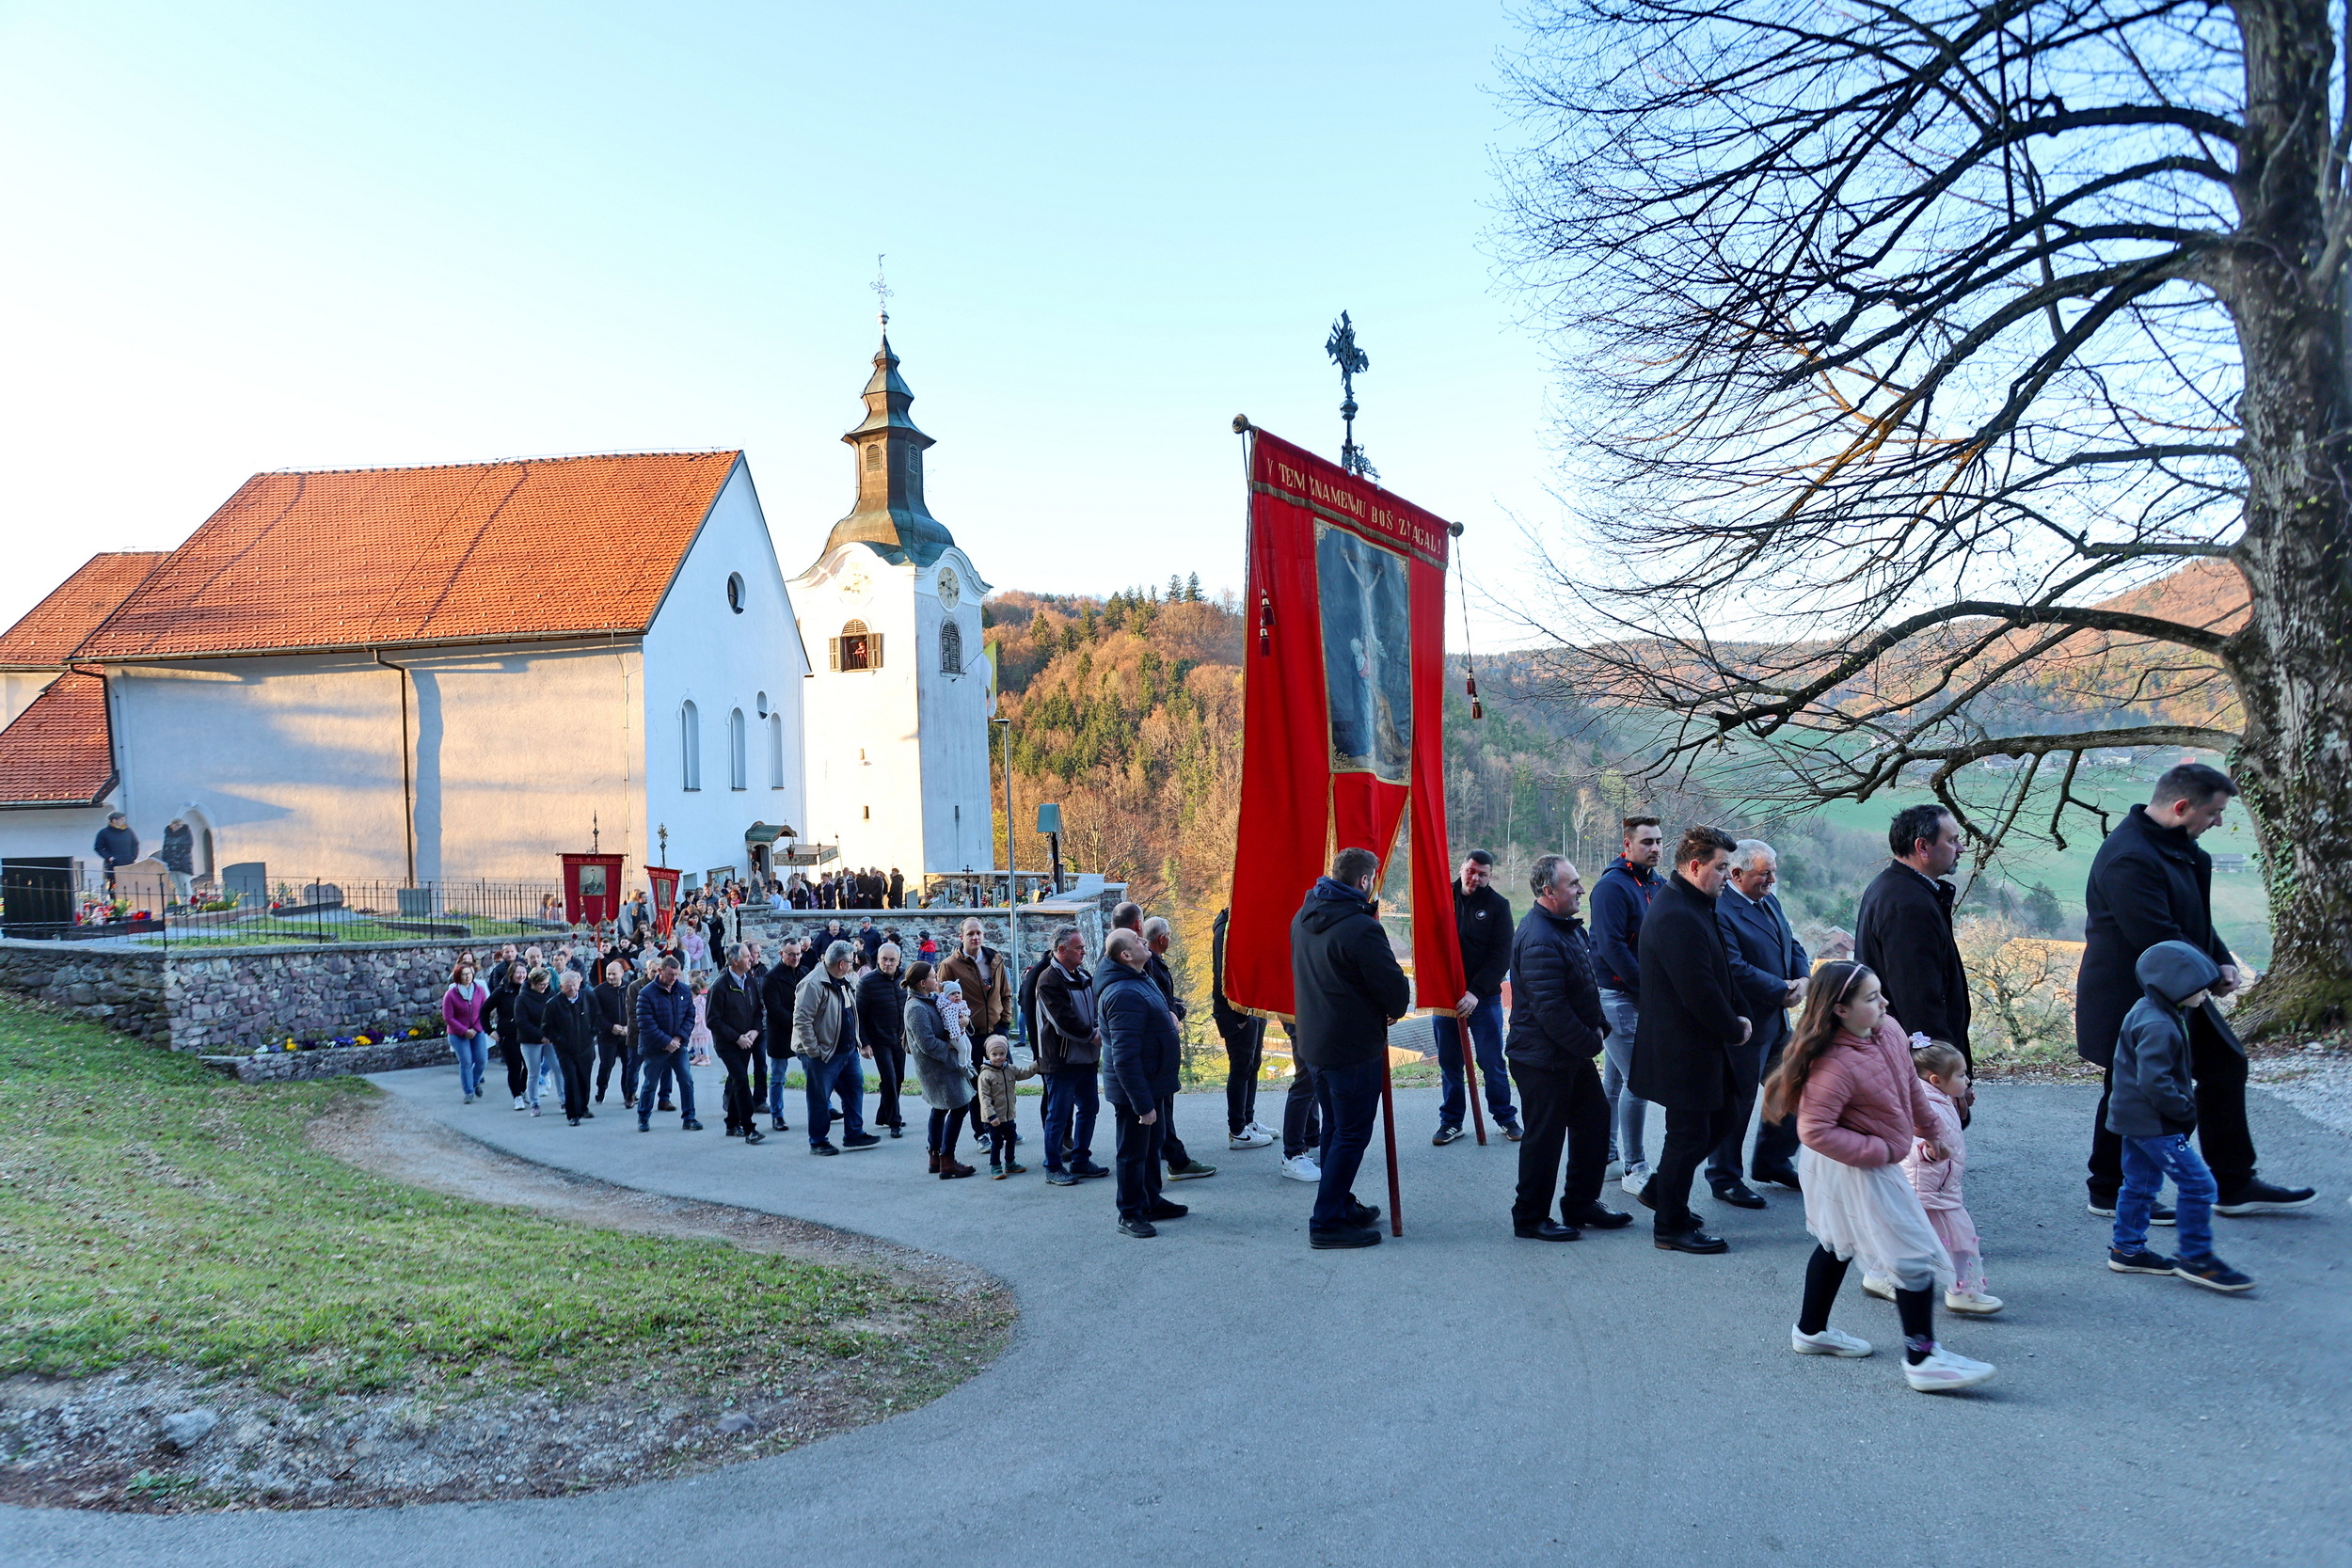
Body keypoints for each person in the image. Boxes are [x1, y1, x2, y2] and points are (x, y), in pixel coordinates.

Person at [2077, 763, 2313, 1217]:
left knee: (2224, 1064)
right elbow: (2156, 935)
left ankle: (2234, 1183)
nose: (2219, 823)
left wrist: (2221, 959)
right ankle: (2109, 1191)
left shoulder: (2184, 851)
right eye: (2214, 813)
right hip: (2129, 999)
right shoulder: (2131, 856)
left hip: (2177, 991)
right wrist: (2210, 974)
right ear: (2182, 807)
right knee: (2130, 1088)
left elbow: (2194, 924)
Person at [1767, 961, 1995, 1392]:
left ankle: (1811, 1332)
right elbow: (1814, 1131)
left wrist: (1933, 1131)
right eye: (1871, 999)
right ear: (1840, 1011)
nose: (1884, 1003)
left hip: (1869, 1157)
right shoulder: (1833, 1065)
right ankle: (1922, 1360)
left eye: (1880, 994)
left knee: (1837, 1244)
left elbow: (1910, 1085)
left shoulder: (1887, 1030)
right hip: (1853, 1164)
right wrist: (1883, 1151)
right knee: (1912, 1254)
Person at [2104, 941, 2257, 1291]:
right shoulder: (2159, 1024)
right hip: (2155, 1124)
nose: (2206, 992)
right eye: (2199, 987)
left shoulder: (2152, 1010)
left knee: (2139, 1185)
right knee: (2200, 1186)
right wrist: (2185, 1110)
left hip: (2136, 1120)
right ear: (2173, 985)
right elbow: (2154, 1081)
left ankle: (2127, 1250)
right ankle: (2196, 1257)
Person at [1627, 826, 1749, 1255]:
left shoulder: (1692, 902)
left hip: (1693, 1046)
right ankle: (1671, 1226)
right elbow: (1698, 989)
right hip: (1682, 1049)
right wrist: (1735, 1028)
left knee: (1719, 1119)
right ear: (1695, 867)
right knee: (1688, 1134)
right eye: (1721, 868)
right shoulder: (1678, 912)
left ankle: (1662, 1192)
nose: (1728, 877)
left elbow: (1715, 972)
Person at [1505, 856, 1633, 1242]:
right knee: (1544, 1140)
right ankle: (1529, 1218)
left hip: (1568, 1053)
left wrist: (1600, 1026)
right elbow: (1552, 1011)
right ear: (1548, 892)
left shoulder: (1566, 928)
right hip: (1541, 1058)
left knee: (1593, 1124)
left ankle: (1580, 1204)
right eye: (1573, 883)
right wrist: (1594, 1040)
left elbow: (1586, 989)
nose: (1581, 889)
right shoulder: (1539, 938)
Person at [1291, 847, 1410, 1250]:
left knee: (1334, 1129)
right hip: (1352, 1048)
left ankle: (1340, 1203)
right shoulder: (1360, 928)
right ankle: (1325, 1222)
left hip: (1315, 1043)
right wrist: (1390, 1010)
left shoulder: (1303, 916)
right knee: (1351, 1133)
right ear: (1364, 881)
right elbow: (1395, 991)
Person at [1863, 1040, 2001, 1313]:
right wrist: (1927, 1153)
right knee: (1960, 1238)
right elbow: (1910, 1144)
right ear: (1937, 1080)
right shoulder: (1927, 1106)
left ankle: (1878, 1275)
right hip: (1929, 1188)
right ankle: (1963, 1292)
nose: (1967, 1079)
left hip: (1933, 1187)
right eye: (1961, 1075)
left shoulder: (1939, 1100)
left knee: (1906, 1237)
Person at [1710, 839, 1811, 1204]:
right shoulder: (1721, 909)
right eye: (1764, 873)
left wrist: (1802, 979)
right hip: (1745, 1022)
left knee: (1795, 1085)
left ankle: (1773, 1160)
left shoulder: (1770, 900)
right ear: (1736, 874)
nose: (1772, 879)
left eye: (1773, 871)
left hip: (1777, 1021)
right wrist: (1780, 987)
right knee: (1736, 1104)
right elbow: (1734, 967)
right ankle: (1723, 1177)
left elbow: (1793, 944)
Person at [1853, 804, 1973, 1067]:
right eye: (1952, 840)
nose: (1961, 848)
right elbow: (1919, 998)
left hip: (1902, 1054)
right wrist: (1943, 1070)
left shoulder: (1895, 887)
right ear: (1922, 847)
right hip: (1919, 1065)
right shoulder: (1908, 904)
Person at [1589, 816, 1665, 1193]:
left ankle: (1604, 1156)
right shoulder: (1611, 887)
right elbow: (1611, 947)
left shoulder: (1658, 884)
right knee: (1640, 1079)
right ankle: (1635, 1166)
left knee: (1616, 1080)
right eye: (1647, 841)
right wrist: (1649, 989)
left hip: (1642, 995)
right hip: (1617, 995)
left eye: (1659, 841)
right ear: (1628, 844)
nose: (1654, 848)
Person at [1101, 929, 1185, 1237]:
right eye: (1137, 942)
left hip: (1154, 1083)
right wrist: (1143, 1104)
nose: (1143, 941)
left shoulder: (1138, 977)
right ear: (1125, 955)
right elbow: (1124, 1057)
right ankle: (1130, 1213)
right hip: (1138, 1090)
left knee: (1152, 1148)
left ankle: (1151, 1201)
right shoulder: (1123, 992)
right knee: (1133, 1152)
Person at [1433, 848, 1520, 1145]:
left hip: (1483, 1000)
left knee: (1491, 1060)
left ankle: (1506, 1118)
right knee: (1450, 1062)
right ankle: (1451, 1122)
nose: (1475, 877)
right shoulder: (1442, 897)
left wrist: (1475, 993)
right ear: (1462, 868)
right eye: (1471, 871)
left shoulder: (1498, 905)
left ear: (1489, 876)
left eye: (1482, 874)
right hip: (1446, 999)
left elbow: (1501, 956)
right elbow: (1425, 938)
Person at [1139, 915, 1216, 1180]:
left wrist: (1174, 1005)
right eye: (1169, 934)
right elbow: (1158, 1005)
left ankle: (1170, 1154)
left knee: (1162, 1109)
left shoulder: (1151, 963)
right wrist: (1175, 1011)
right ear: (1162, 939)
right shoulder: (1149, 964)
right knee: (1160, 1110)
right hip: (1157, 1050)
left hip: (1160, 1048)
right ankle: (1176, 1160)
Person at [1036, 927, 1110, 1186]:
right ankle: (1053, 1167)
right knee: (1059, 1114)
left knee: (1089, 1108)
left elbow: (1096, 1005)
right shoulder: (1048, 980)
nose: (1084, 951)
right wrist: (1092, 1034)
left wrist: (1099, 1028)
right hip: (1062, 1060)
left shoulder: (1083, 975)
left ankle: (1080, 1160)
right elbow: (1062, 1021)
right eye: (1078, 948)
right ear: (1061, 950)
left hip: (1086, 1058)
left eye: (1083, 947)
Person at [792, 940, 881, 1154]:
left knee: (854, 1089)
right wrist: (815, 1052)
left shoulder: (845, 979)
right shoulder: (812, 983)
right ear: (841, 963)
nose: (853, 965)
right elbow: (802, 1021)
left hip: (847, 1051)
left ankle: (854, 1133)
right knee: (820, 1098)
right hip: (824, 1054)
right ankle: (818, 1141)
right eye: (851, 961)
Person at [1211, 908, 1279, 1150]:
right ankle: (1238, 1130)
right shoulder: (1227, 926)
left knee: (1252, 1064)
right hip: (1236, 1009)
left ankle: (1248, 1121)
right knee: (1240, 1066)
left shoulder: (1242, 921)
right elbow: (1226, 971)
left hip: (1252, 1007)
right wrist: (1240, 1013)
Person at [905, 959, 977, 1179]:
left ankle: (936, 1157)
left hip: (942, 1065)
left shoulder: (929, 1000)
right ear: (922, 983)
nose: (937, 980)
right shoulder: (916, 1007)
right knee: (959, 1107)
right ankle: (947, 1160)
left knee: (939, 1109)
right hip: (937, 1068)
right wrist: (949, 1043)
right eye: (933, 977)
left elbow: (950, 1015)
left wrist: (963, 1022)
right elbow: (926, 1043)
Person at [634, 956, 704, 1132]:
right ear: (660, 972)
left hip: (678, 1045)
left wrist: (678, 1039)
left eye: (677, 974)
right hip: (655, 1047)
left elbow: (690, 1016)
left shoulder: (683, 990)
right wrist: (666, 1042)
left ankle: (689, 1117)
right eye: (670, 974)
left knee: (686, 1080)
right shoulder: (646, 993)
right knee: (650, 1083)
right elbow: (646, 1023)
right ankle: (643, 1117)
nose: (674, 978)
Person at [707, 943, 768, 1145]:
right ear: (734, 961)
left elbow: (758, 1011)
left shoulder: (749, 980)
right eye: (746, 956)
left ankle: (732, 1123)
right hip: (728, 1044)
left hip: (747, 1040)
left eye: (751, 956)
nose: (751, 959)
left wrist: (755, 1031)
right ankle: (749, 1127)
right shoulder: (720, 985)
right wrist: (737, 1038)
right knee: (741, 1080)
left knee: (735, 1080)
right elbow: (712, 1020)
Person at [858, 943, 911, 1138]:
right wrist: (864, 1043)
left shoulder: (906, 978)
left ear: (898, 961)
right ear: (878, 959)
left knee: (899, 1077)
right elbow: (859, 1015)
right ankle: (894, 1121)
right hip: (878, 1039)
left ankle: (884, 1113)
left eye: (892, 960)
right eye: (884, 959)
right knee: (889, 1079)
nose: (888, 964)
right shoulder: (867, 982)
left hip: (899, 1038)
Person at [939, 918, 1012, 1057]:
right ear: (961, 937)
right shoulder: (949, 965)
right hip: (968, 1033)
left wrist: (1005, 1024)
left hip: (997, 1030)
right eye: (970, 934)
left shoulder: (995, 960)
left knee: (1004, 1076)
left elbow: (1005, 993)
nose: (975, 937)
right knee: (974, 1078)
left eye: (979, 933)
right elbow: (941, 1002)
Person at [545, 969, 598, 1126]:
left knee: (584, 1078)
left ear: (579, 983)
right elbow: (547, 1028)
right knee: (571, 1080)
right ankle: (573, 1114)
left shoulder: (588, 997)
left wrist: (592, 1033)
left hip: (585, 1047)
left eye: (574, 985)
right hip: (565, 1049)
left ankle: (583, 1107)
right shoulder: (553, 1004)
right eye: (568, 986)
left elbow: (597, 1016)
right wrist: (559, 1040)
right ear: (561, 987)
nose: (572, 989)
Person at [760, 937, 803, 1132]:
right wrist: (799, 1022)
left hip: (803, 1033)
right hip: (780, 1033)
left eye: (798, 954)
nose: (795, 958)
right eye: (791, 954)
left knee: (816, 1072)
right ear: (781, 954)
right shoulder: (771, 977)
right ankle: (777, 1115)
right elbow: (774, 1009)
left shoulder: (804, 972)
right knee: (778, 1077)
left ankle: (825, 1107)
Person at [976, 1034, 1034, 1177]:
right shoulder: (985, 1075)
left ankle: (1010, 1163)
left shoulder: (1010, 1069)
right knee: (997, 1142)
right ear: (988, 1055)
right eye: (994, 1054)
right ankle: (995, 1166)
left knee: (1011, 1138)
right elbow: (984, 1098)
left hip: (1008, 1115)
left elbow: (1024, 1073)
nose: (998, 1057)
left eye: (1002, 1054)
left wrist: (1037, 1065)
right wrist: (991, 1116)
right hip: (993, 1118)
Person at [441, 958, 492, 1104]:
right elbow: (448, 1017)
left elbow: (484, 1011)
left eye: (469, 974)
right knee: (466, 1062)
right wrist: (464, 1031)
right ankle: (468, 1092)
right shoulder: (451, 994)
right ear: (458, 976)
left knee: (482, 1060)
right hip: (458, 1033)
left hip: (477, 1031)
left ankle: (475, 1082)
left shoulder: (479, 990)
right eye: (464, 974)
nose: (467, 977)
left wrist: (475, 1028)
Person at [516, 967, 558, 1117]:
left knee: (558, 1068)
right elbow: (522, 1022)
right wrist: (541, 1036)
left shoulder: (550, 994)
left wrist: (552, 1034)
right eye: (542, 984)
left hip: (549, 1038)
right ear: (533, 983)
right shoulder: (522, 998)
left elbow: (555, 1014)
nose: (544, 987)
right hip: (530, 1040)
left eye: (546, 983)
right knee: (533, 1071)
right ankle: (535, 1103)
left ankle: (564, 1100)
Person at [590, 959, 632, 1105]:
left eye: (614, 974)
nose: (610, 977)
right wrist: (610, 1027)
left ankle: (628, 1094)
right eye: (608, 974)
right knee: (606, 1064)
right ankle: (601, 1088)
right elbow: (596, 1015)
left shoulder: (630, 988)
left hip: (627, 1034)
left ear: (622, 973)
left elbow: (636, 1011)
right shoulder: (599, 991)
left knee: (629, 1065)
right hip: (607, 1035)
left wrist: (630, 1027)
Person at [488, 958, 530, 1109]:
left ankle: (523, 1089)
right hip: (507, 1034)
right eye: (518, 973)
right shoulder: (501, 991)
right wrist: (489, 1030)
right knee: (514, 1066)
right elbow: (484, 1010)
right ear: (511, 974)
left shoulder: (529, 989)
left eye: (523, 973)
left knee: (529, 1066)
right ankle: (517, 1096)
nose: (521, 976)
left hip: (527, 1035)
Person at [93, 812, 139, 887]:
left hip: (128, 864)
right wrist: (109, 858)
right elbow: (98, 848)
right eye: (122, 819)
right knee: (114, 887)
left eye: (124, 819)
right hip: (113, 866)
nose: (124, 821)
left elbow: (135, 844)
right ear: (114, 820)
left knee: (130, 886)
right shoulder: (104, 833)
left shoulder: (128, 831)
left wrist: (134, 856)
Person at [159, 816, 196, 904]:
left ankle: (190, 904)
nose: (178, 827)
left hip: (183, 863)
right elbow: (165, 848)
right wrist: (165, 860)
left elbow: (188, 847)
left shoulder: (186, 833)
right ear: (171, 826)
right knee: (177, 885)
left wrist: (179, 857)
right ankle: (182, 903)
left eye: (180, 825)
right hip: (171, 864)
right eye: (176, 825)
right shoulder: (168, 835)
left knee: (185, 884)